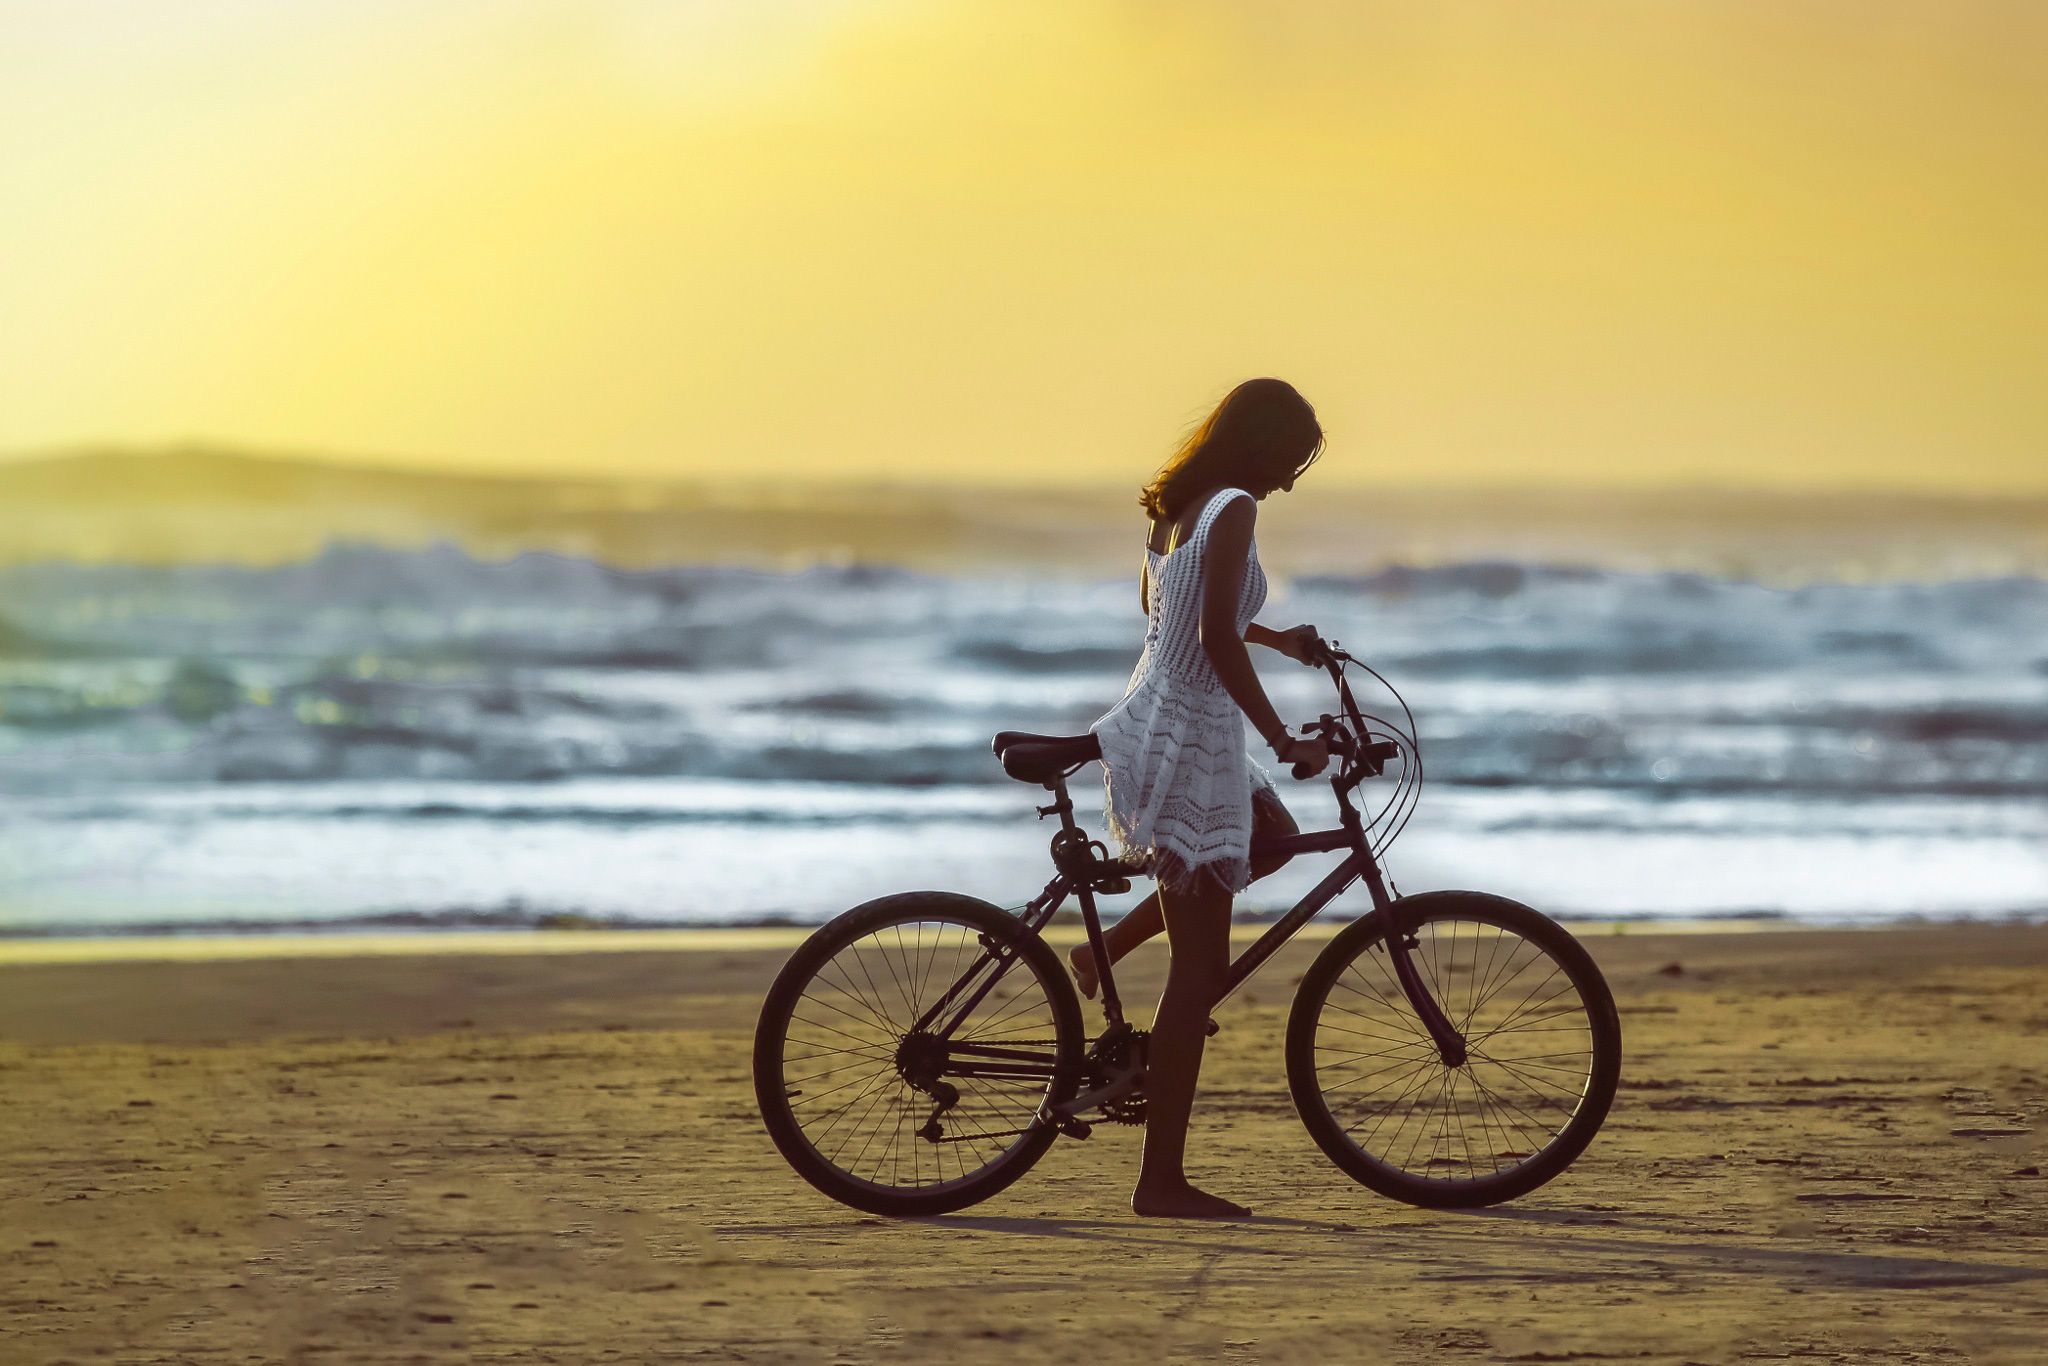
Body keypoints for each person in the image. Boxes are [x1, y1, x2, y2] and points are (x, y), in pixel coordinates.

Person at [1085, 377, 1333, 1219]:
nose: (1292, 480)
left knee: (1266, 842)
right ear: (1261, 447)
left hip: (1160, 719)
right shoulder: (1234, 508)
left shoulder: (1178, 502)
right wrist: (1283, 738)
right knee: (1200, 973)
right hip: (1192, 735)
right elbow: (1210, 637)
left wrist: (1280, 637)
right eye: (1291, 461)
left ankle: (1101, 953)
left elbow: (1167, 609)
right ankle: (1160, 1182)